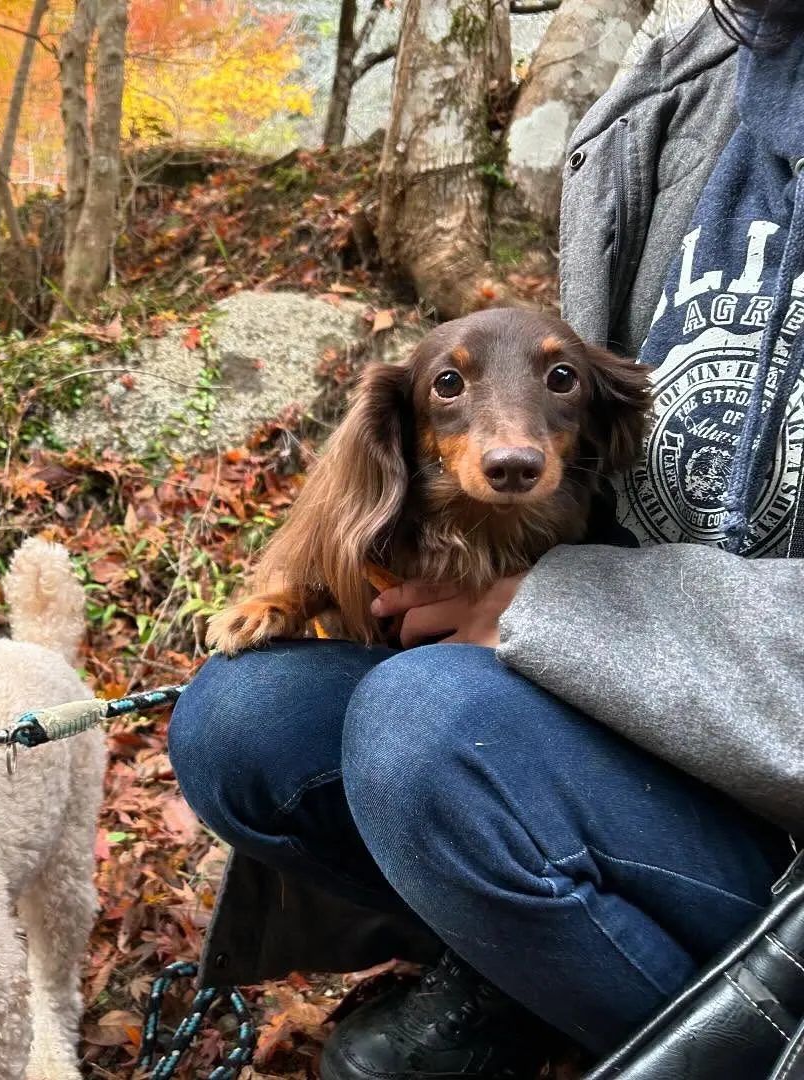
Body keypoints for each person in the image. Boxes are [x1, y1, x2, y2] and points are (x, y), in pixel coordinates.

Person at [167, 1, 804, 1076]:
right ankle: (530, 970)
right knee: (244, 720)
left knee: (429, 726)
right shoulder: (688, 82)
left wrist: (555, 609)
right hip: (650, 735)